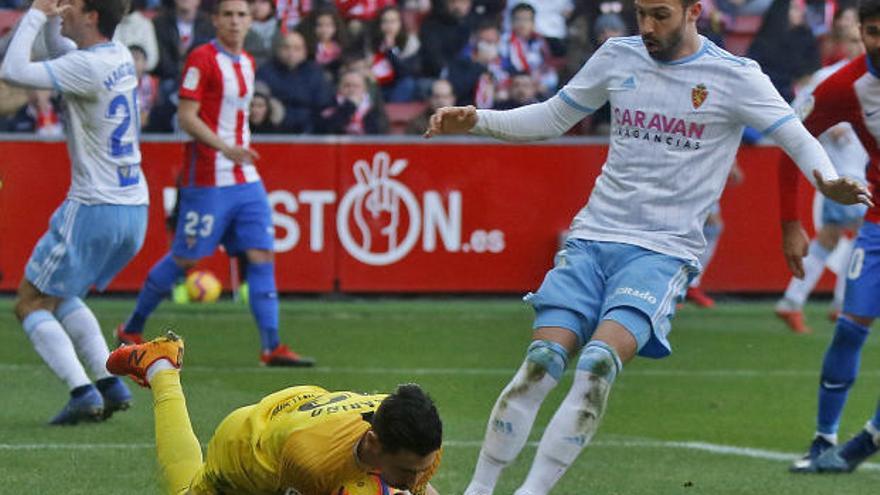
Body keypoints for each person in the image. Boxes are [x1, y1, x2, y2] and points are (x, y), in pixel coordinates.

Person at [424, 0, 871, 493]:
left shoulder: (736, 76)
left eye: (660, 15)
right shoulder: (618, 56)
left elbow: (798, 138)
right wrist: (479, 121)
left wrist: (827, 180)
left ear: (694, 11)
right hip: (592, 238)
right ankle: (478, 490)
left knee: (596, 366)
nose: (648, 27)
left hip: (661, 252)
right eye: (641, 14)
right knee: (539, 365)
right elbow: (552, 118)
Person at [117, 0, 315, 367]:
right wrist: (226, 148)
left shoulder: (248, 62)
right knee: (187, 257)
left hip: (245, 179)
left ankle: (271, 347)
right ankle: (131, 327)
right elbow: (186, 117)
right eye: (229, 15)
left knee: (261, 255)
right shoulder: (202, 58)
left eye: (242, 15)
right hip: (207, 177)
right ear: (216, 20)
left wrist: (235, 151)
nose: (236, 21)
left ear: (249, 20)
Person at [1, 0, 147, 424]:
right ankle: (111, 382)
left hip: (94, 206)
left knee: (29, 302)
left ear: (92, 16)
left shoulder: (88, 67)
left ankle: (82, 391)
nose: (63, 9)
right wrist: (49, 20)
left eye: (71, 6)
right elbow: (61, 54)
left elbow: (12, 70)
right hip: (133, 207)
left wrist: (34, 12)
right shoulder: (115, 55)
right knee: (62, 293)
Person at [105, 332, 443, 495]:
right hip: (246, 447)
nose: (415, 481)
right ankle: (160, 368)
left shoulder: (421, 440)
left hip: (305, 408)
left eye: (422, 469)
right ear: (373, 443)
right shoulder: (312, 463)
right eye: (406, 471)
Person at [778, 0, 880, 473]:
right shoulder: (844, 86)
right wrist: (790, 222)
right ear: (860, 32)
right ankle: (824, 440)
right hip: (878, 224)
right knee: (848, 327)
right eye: (874, 31)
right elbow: (793, 143)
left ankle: (867, 441)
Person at [775, 23, 868, 333]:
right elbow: (795, 119)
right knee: (861, 234)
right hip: (839, 175)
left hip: (863, 172)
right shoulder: (830, 79)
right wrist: (828, 126)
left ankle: (801, 301)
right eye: (856, 40)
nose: (862, 46)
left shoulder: (872, 79)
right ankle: (840, 304)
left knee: (836, 236)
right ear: (845, 42)